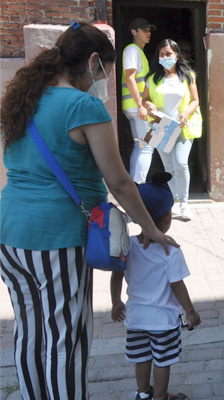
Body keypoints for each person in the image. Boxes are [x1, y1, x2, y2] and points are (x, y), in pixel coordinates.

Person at [0, 22, 176, 400]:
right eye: (106, 74)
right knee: (65, 339)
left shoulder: (26, 98)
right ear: (94, 61)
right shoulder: (84, 105)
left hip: (10, 234)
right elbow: (120, 182)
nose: (103, 84)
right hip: (57, 238)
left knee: (30, 332)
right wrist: (151, 229)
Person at [110, 172, 200, 400]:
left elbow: (117, 276)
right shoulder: (171, 251)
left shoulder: (128, 245)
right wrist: (190, 311)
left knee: (142, 357)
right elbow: (177, 285)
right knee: (163, 360)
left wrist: (116, 302)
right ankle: (160, 398)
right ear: (168, 217)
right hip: (164, 321)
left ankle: (142, 394)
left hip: (136, 317)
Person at [141, 39, 201, 221]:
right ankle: (174, 200)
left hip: (183, 126)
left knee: (181, 163)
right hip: (162, 126)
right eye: (161, 54)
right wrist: (149, 106)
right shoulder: (152, 78)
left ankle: (184, 204)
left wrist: (185, 114)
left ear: (176, 55)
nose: (165, 57)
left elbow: (195, 100)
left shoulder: (188, 75)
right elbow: (145, 100)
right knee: (168, 167)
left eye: (168, 54)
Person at [122, 17, 157, 183]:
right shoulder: (132, 50)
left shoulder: (138, 52)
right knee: (146, 148)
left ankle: (135, 187)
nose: (148, 33)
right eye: (144, 30)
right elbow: (130, 78)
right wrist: (140, 105)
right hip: (136, 107)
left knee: (142, 146)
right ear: (134, 32)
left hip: (136, 107)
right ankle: (138, 189)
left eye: (149, 30)